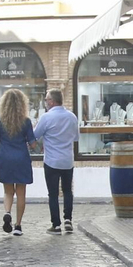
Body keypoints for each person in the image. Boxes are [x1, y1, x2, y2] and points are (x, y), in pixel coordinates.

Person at [34, 88, 80, 233]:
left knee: (53, 193)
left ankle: (56, 224)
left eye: (47, 99)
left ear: (52, 101)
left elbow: (35, 135)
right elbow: (76, 137)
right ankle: (68, 219)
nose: (46, 102)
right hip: (67, 161)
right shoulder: (72, 117)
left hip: (52, 161)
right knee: (67, 191)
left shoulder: (46, 118)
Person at [0, 89, 36, 236]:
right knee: (21, 193)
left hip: (5, 157)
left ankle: (7, 212)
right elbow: (33, 143)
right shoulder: (26, 121)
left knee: (8, 191)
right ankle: (18, 226)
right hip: (21, 158)